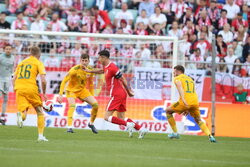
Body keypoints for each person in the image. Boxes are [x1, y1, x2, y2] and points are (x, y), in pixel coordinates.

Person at [84, 50, 147, 139]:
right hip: (121, 94)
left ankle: (128, 125)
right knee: (121, 118)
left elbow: (123, 79)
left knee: (106, 117)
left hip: (116, 94)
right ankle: (141, 129)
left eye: (99, 57)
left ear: (104, 58)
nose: (98, 59)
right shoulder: (106, 66)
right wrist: (90, 71)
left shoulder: (112, 67)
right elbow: (102, 71)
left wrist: (129, 91)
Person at [165, 65, 216, 142]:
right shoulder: (190, 79)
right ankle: (210, 136)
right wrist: (188, 108)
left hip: (185, 101)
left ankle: (175, 133)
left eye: (174, 72)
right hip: (195, 102)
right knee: (198, 120)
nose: (173, 73)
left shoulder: (177, 78)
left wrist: (184, 100)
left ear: (178, 71)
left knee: (168, 111)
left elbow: (180, 88)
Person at [12, 46, 48, 141]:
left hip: (19, 88)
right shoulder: (38, 63)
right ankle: (40, 136)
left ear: (30, 53)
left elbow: (13, 78)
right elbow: (43, 80)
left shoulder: (21, 63)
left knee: (23, 113)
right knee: (40, 112)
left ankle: (21, 116)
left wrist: (15, 89)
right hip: (31, 88)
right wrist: (44, 93)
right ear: (39, 55)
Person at [58, 54, 98, 134]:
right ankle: (69, 127)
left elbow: (90, 83)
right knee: (72, 106)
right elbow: (64, 81)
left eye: (86, 61)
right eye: (82, 60)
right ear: (80, 61)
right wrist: (60, 94)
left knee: (95, 105)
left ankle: (91, 123)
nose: (84, 62)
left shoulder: (90, 70)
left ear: (89, 61)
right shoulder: (74, 70)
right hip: (71, 90)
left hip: (82, 90)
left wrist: (92, 94)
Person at [0, 44, 14, 125]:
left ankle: (2, 117)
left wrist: (12, 77)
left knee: (5, 99)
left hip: (7, 80)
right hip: (0, 79)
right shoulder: (1, 57)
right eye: (7, 49)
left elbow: (12, 68)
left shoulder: (12, 57)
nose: (8, 50)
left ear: (11, 50)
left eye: (9, 49)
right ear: (4, 50)